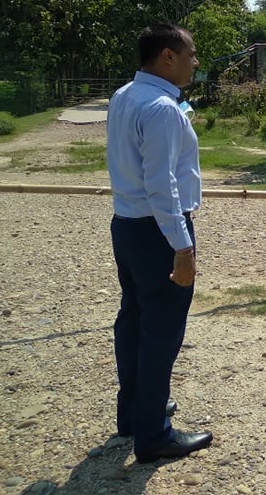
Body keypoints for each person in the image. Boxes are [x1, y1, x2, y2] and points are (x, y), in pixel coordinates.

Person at [107, 23, 213, 464]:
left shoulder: (124, 95)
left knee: (134, 320)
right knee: (161, 332)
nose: (195, 62)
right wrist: (183, 249)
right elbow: (162, 187)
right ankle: (153, 435)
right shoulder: (161, 108)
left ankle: (135, 413)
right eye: (191, 53)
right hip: (158, 231)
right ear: (168, 56)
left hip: (127, 225)